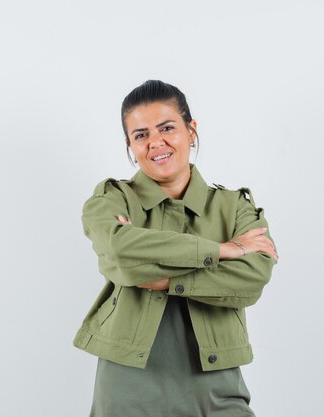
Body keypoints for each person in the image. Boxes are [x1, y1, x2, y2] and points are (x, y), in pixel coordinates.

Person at [73, 80, 279, 417]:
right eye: (141, 135)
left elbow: (253, 277)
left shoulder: (234, 207)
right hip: (127, 389)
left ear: (191, 130)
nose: (156, 142)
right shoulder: (112, 199)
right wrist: (223, 250)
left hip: (216, 387)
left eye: (167, 127)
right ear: (130, 144)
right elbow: (121, 252)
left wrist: (165, 280)